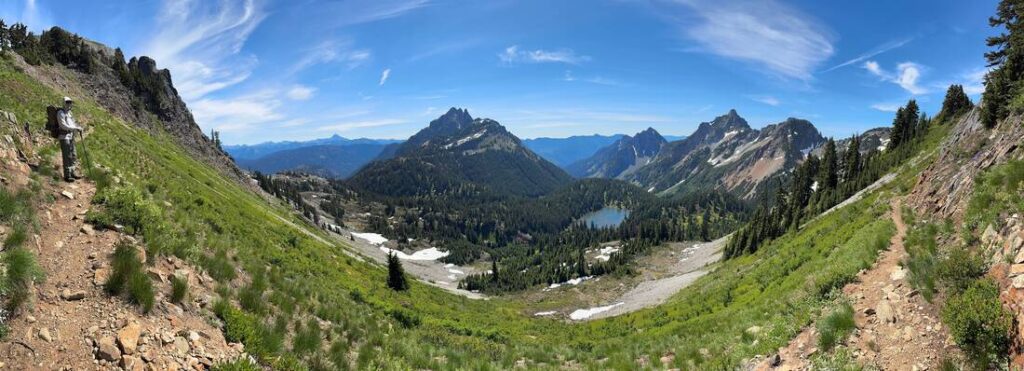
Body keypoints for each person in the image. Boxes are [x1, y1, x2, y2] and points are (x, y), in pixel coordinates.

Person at [57, 96, 84, 181]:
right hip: (64, 137)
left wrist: (77, 128)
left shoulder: (69, 113)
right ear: (64, 103)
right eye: (67, 102)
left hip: (71, 136)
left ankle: (72, 172)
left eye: (70, 102)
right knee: (67, 155)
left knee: (73, 155)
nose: (69, 104)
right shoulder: (60, 113)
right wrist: (75, 128)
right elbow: (63, 125)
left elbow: (72, 124)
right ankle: (67, 175)